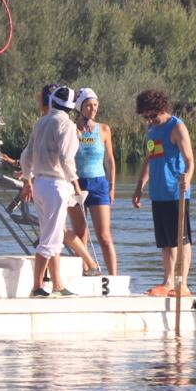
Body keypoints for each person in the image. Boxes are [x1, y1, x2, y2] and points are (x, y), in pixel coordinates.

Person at [18, 84, 83, 297]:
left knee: (51, 234)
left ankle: (57, 285)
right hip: (57, 185)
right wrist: (75, 183)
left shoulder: (41, 122)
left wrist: (27, 179)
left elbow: (26, 155)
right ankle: (37, 286)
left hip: (39, 184)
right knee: (50, 239)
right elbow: (66, 157)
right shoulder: (67, 125)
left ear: (52, 101)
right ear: (72, 107)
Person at [132, 89, 196, 297]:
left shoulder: (177, 127)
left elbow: (190, 160)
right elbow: (150, 159)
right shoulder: (151, 130)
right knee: (165, 242)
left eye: (153, 115)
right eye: (146, 117)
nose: (150, 120)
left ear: (162, 108)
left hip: (176, 193)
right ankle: (168, 282)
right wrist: (139, 187)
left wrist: (187, 178)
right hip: (158, 193)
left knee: (181, 239)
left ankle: (183, 285)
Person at [70, 87, 119, 276]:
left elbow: (110, 160)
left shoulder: (104, 129)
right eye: (89, 105)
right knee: (80, 234)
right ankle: (85, 272)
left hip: (99, 184)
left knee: (104, 236)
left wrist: (112, 187)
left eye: (96, 105)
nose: (93, 109)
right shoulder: (72, 130)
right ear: (80, 107)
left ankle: (113, 277)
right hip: (76, 184)